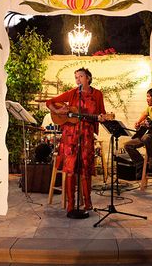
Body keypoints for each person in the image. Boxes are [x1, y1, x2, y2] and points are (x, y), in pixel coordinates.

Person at [46, 67, 106, 216]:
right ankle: (71, 205)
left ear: (88, 78)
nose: (78, 79)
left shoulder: (97, 94)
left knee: (85, 169)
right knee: (71, 170)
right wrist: (58, 111)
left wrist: (102, 117)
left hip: (86, 135)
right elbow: (50, 102)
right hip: (70, 137)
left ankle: (87, 202)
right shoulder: (73, 93)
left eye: (80, 76)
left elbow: (102, 113)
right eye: (76, 77)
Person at [124, 88, 152, 173]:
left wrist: (150, 127)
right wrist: (138, 123)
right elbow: (144, 114)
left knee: (146, 138)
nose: (147, 99)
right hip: (148, 137)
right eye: (147, 96)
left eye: (149, 96)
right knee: (128, 145)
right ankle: (142, 166)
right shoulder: (149, 108)